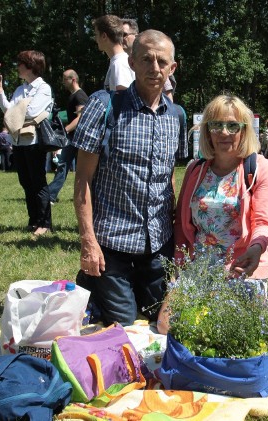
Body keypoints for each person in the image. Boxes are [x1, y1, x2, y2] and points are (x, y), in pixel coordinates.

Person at [72, 30, 179, 326]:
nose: (154, 68)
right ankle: (93, 280)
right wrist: (88, 242)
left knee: (163, 319)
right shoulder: (105, 105)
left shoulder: (177, 117)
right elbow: (82, 181)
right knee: (125, 324)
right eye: (146, 59)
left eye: (161, 61)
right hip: (112, 244)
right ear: (132, 62)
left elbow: (168, 177)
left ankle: (113, 287)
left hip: (157, 245)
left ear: (173, 68)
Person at [158, 94, 268, 334]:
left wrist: (256, 250)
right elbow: (182, 225)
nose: (224, 132)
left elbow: (263, 223)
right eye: (216, 125)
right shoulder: (196, 169)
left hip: (241, 267)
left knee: (228, 332)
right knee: (166, 326)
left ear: (244, 130)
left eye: (233, 126)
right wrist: (178, 271)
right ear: (208, 131)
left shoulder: (260, 168)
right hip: (199, 267)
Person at [0, 50, 53, 236]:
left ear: (30, 66)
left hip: (33, 140)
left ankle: (45, 223)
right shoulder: (20, 89)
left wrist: (16, 109)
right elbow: (7, 109)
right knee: (25, 182)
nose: (17, 67)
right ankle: (33, 220)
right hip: (18, 141)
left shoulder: (43, 88)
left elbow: (32, 112)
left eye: (20, 64)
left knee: (38, 182)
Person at [48, 69, 89, 203]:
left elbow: (80, 118)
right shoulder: (74, 96)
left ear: (73, 80)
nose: (63, 82)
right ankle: (51, 195)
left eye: (65, 79)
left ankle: (50, 195)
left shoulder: (80, 96)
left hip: (77, 137)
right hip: (73, 137)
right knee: (63, 165)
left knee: (66, 165)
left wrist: (64, 130)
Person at [94, 15, 134, 91]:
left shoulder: (119, 64)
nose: (95, 39)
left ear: (104, 36)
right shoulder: (119, 61)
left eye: (96, 35)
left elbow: (124, 98)